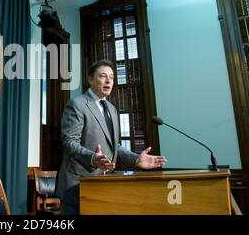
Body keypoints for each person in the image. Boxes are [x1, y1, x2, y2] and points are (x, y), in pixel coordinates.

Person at [56, 59, 167, 215]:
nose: (108, 81)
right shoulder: (77, 104)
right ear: (90, 79)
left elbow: (115, 145)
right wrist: (92, 158)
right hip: (78, 185)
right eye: (103, 76)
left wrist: (136, 159)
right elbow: (69, 143)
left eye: (112, 77)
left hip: (104, 184)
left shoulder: (112, 109)